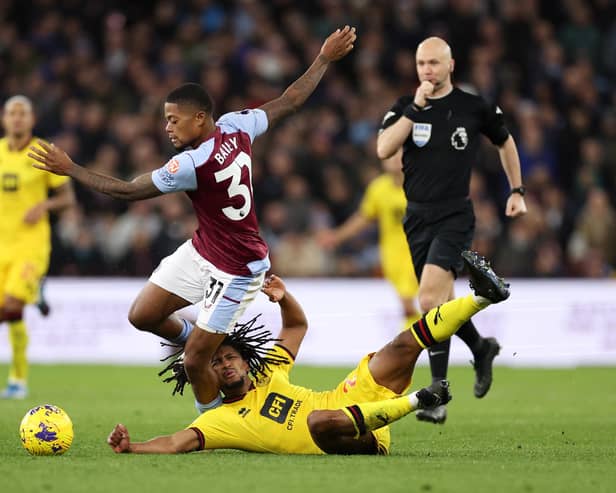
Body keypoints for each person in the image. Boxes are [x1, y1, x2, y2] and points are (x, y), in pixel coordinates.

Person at [29, 26, 357, 413]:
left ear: (199, 119)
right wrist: (322, 59)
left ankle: (213, 425)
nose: (167, 128)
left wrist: (72, 169)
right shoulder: (239, 125)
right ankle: (199, 335)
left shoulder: (190, 164)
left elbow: (127, 191)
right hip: (204, 250)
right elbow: (290, 100)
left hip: (238, 267)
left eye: (173, 120)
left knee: (194, 361)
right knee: (143, 315)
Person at [107, 250, 509, 455]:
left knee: (401, 345)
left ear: (245, 360)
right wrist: (134, 447)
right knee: (318, 422)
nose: (225, 365)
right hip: (347, 434)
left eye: (229, 357)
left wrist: (284, 298)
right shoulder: (221, 420)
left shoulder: (268, 373)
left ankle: (482, 297)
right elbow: (177, 443)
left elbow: (296, 326)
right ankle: (418, 401)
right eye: (216, 362)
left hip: (350, 401)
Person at [376, 37, 527, 424]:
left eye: (434, 63)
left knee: (428, 301)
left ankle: (439, 394)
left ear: (450, 65)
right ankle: (480, 349)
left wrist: (516, 190)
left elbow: (505, 143)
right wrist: (414, 108)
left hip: (454, 216)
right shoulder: (406, 108)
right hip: (416, 217)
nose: (427, 70)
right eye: (421, 63)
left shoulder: (472, 107)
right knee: (440, 307)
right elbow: (384, 149)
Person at [0, 95, 76, 399]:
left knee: (11, 307)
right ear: (4, 119)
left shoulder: (44, 153)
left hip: (31, 247)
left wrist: (44, 204)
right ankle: (18, 380)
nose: (17, 118)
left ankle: (33, 291)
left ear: (31, 120)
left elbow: (68, 199)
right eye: (12, 113)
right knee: (14, 317)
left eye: (23, 114)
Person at [317, 150, 420, 330]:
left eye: (398, 155)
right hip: (391, 255)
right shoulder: (378, 188)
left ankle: (410, 343)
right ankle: (424, 336)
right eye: (390, 156)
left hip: (417, 251)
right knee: (408, 304)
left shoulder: (420, 186)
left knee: (408, 302)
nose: (394, 160)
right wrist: (337, 236)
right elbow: (363, 217)